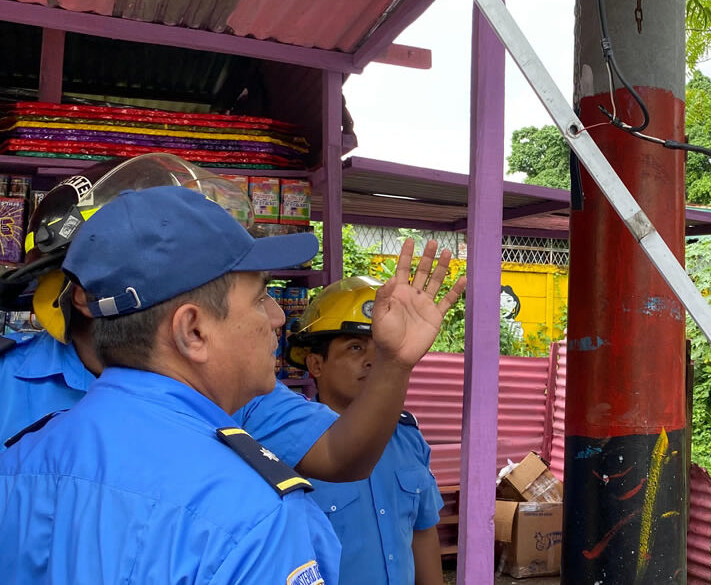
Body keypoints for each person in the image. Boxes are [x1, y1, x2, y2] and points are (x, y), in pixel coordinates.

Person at [0, 153, 466, 487]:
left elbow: (339, 455)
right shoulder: (9, 381)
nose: (278, 317)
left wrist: (394, 363)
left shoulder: (227, 382)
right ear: (83, 296)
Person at [288, 276, 444, 585]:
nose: (373, 360)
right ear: (316, 364)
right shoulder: (293, 446)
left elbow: (423, 533)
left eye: (381, 349)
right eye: (356, 348)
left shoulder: (407, 438)